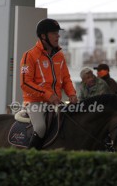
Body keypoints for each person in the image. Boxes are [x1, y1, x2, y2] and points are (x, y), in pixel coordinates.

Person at [20, 18, 78, 150]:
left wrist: (72, 94)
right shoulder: (29, 55)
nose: (58, 35)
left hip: (55, 102)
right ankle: (29, 157)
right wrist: (48, 95)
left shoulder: (60, 56)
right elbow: (25, 83)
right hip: (35, 102)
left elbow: (66, 79)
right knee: (40, 128)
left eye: (58, 32)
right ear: (43, 36)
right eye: (54, 33)